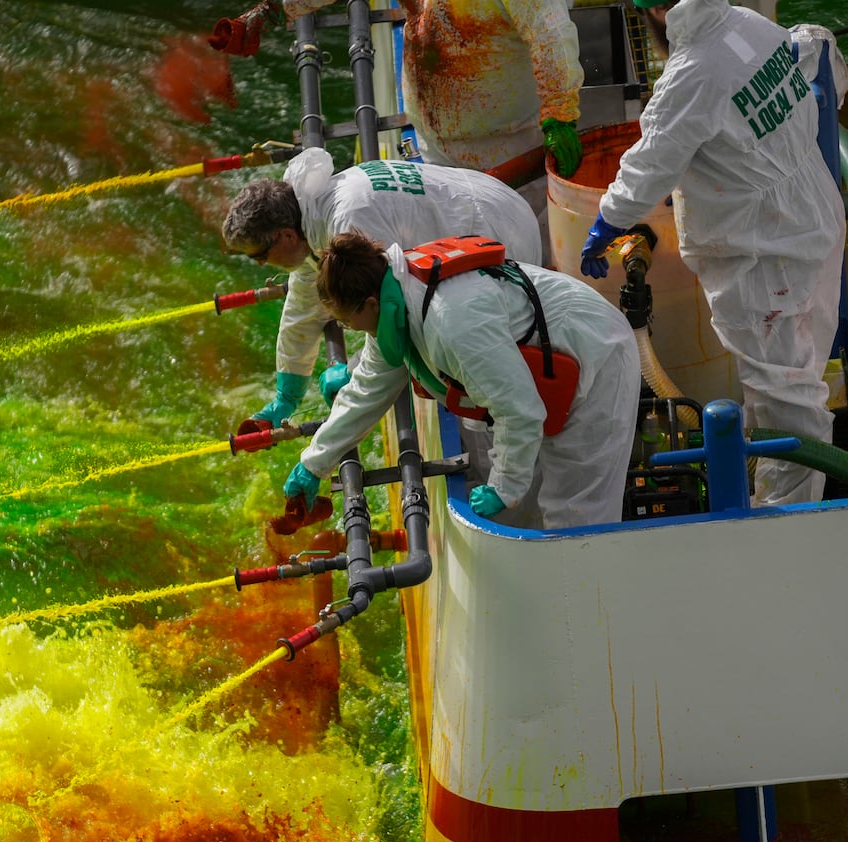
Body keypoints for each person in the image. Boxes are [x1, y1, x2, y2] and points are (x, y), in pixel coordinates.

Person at [579, 0, 846, 505]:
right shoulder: (747, 25)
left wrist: (606, 221)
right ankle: (770, 468)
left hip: (764, 254)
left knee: (789, 396)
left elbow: (649, 162)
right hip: (811, 213)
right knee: (797, 371)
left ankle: (787, 522)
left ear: (652, 11)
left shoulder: (690, 73)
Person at [284, 231, 640, 530]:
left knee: (577, 516)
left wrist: (504, 487)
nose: (350, 329)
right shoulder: (397, 298)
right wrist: (314, 462)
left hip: (597, 357)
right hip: (548, 369)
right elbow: (367, 391)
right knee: (536, 503)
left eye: (347, 321)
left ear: (371, 304)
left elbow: (520, 411)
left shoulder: (451, 323)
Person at [224, 148, 542, 427]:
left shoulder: (347, 223)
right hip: (491, 203)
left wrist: (353, 371)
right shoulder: (314, 209)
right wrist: (287, 393)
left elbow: (393, 318)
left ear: (285, 236)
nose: (262, 266)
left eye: (259, 256)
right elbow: (304, 303)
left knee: (469, 376)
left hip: (501, 238)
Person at [276, 0, 584, 217]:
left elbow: (550, 35)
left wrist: (560, 113)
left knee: (526, 244)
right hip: (435, 145)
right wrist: (273, 11)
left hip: (509, 145)